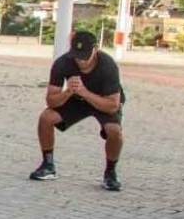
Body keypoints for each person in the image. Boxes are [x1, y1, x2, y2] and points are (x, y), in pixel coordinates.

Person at [29, 30, 125, 191]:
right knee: (46, 118)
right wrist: (68, 92)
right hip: (76, 98)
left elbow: (112, 105)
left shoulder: (108, 66)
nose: (80, 60)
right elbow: (51, 101)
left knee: (114, 131)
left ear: (95, 50)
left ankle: (110, 173)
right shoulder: (63, 63)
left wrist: (84, 92)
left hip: (102, 100)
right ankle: (48, 165)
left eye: (85, 56)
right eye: (77, 55)